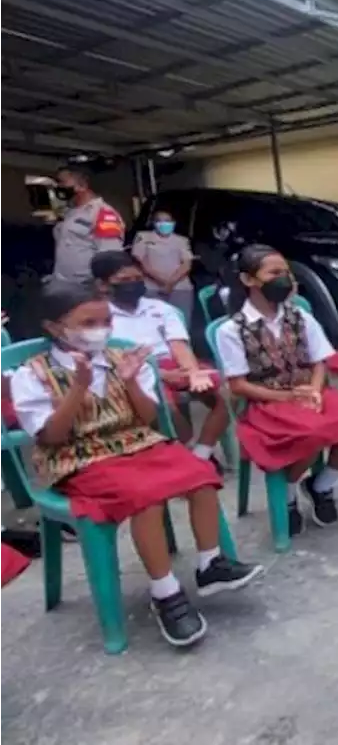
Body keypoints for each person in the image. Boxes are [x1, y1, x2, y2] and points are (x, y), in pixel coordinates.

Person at [10, 282, 262, 647]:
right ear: (54, 327)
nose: (101, 329)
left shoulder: (120, 359)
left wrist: (130, 384)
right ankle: (166, 592)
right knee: (145, 496)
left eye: (105, 320)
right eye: (88, 321)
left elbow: (146, 418)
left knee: (199, 474)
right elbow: (51, 437)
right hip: (77, 456)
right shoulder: (31, 374)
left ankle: (211, 564)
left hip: (135, 441)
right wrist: (78, 388)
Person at [214, 245, 338, 537]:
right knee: (310, 434)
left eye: (286, 272)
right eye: (274, 273)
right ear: (249, 280)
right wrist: (287, 397)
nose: (284, 279)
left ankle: (320, 485)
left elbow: (319, 362)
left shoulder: (300, 316)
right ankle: (287, 495)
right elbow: (238, 385)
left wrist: (313, 391)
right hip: (267, 403)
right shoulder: (232, 330)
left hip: (307, 394)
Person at [90, 250, 230, 471]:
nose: (133, 284)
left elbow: (179, 345)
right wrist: (160, 375)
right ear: (102, 285)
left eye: (137, 279)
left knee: (229, 392)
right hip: (133, 373)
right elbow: (109, 360)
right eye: (124, 280)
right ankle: (188, 449)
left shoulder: (160, 309)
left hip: (173, 364)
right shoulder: (96, 317)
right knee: (167, 410)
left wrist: (192, 371)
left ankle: (202, 454)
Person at [51, 164, 125, 286]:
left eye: (63, 182)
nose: (59, 187)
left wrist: (102, 286)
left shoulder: (103, 213)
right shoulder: (70, 213)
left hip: (87, 287)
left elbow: (111, 257)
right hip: (63, 283)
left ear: (83, 185)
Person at [131, 209, 195, 322]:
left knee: (180, 321)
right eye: (159, 220)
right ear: (153, 223)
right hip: (152, 288)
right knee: (152, 322)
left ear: (174, 222)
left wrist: (170, 284)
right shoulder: (143, 237)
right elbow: (141, 262)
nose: (164, 224)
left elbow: (186, 265)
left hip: (180, 289)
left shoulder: (181, 240)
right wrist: (162, 282)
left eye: (167, 220)